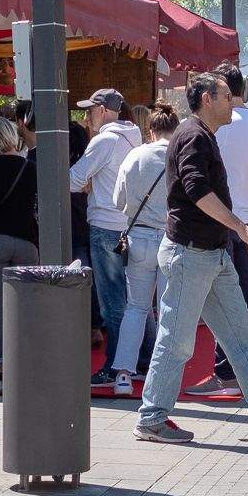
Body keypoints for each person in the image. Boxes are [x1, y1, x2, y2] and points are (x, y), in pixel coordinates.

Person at [134, 71, 248, 444]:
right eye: (228, 96)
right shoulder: (194, 136)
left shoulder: (201, 134)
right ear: (208, 99)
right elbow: (196, 190)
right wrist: (241, 229)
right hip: (191, 253)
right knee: (177, 339)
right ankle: (152, 418)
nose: (235, 102)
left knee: (242, 334)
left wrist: (232, 234)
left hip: (210, 253)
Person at [187, 65, 248, 399]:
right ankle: (245, 368)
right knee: (243, 296)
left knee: (224, 301)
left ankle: (227, 372)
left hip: (224, 219)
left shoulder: (227, 124)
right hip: (246, 216)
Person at [68, 88, 143, 387]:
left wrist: (88, 183)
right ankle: (139, 360)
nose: (86, 118)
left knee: (112, 302)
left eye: (88, 111)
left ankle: (115, 367)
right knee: (135, 302)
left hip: (105, 226)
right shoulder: (135, 136)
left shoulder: (104, 140)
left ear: (101, 110)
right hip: (131, 225)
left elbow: (73, 179)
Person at [110, 102, 177, 398]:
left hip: (138, 238)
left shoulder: (134, 155)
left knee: (135, 308)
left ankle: (123, 374)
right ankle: (161, 376)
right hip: (170, 240)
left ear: (150, 130)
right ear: (174, 130)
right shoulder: (178, 156)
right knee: (167, 311)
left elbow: (119, 201)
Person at [0, 114, 38, 380]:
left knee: (1, 308)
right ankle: (28, 359)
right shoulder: (32, 168)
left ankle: (6, 365)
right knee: (25, 305)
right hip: (27, 241)